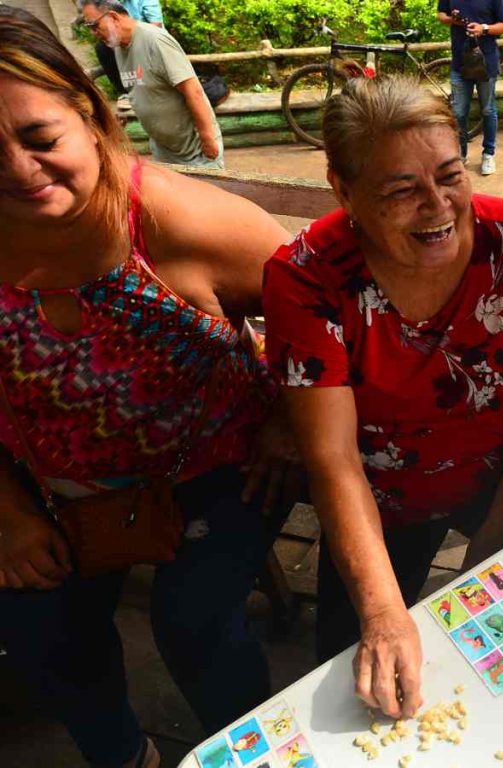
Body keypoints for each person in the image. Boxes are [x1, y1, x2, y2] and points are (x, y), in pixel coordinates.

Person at [0, 8, 299, 767]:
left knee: (194, 620)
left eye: (40, 140)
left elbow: (333, 308)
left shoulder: (181, 222)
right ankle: (125, 757)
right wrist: (4, 510)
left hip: (220, 465)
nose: (16, 171)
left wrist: (295, 424)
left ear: (92, 116)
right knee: (40, 628)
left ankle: (263, 753)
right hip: (43, 485)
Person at [262, 76, 503, 718]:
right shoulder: (305, 279)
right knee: (363, 681)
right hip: (386, 499)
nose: (437, 206)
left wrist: (491, 546)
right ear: (343, 191)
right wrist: (382, 613)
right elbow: (334, 461)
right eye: (401, 190)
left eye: (449, 175)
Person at [80, 0, 224, 169]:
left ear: (113, 17)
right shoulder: (118, 46)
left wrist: (208, 138)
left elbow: (193, 91)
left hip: (196, 151)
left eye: (95, 26)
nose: (93, 33)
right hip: (164, 149)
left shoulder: (155, 41)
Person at [437, 0, 503, 176]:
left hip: (486, 64)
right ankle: (460, 155)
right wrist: (452, 20)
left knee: (488, 110)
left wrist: (484, 29)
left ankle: (488, 154)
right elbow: (441, 15)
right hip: (459, 64)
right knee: (458, 113)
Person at [90, 0, 163, 98]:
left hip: (144, 42)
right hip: (122, 43)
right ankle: (125, 92)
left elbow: (156, 26)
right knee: (102, 47)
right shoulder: (108, 3)